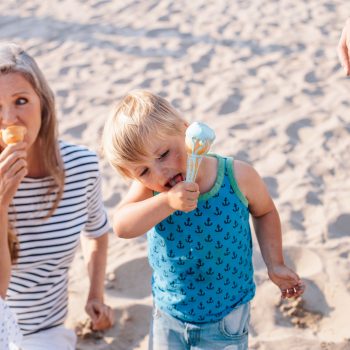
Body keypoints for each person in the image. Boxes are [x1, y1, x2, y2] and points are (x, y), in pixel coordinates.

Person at [102, 90, 305, 350]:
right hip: (168, 313)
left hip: (226, 315)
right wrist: (165, 202)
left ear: (187, 133)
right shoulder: (151, 191)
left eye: (163, 154)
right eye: (143, 171)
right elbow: (122, 225)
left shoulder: (237, 176)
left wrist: (275, 263)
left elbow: (264, 211)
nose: (160, 171)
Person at [0, 42, 114, 350]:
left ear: (44, 105)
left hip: (43, 332)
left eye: (21, 101)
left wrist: (95, 295)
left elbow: (97, 232)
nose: (9, 119)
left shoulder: (81, 166)